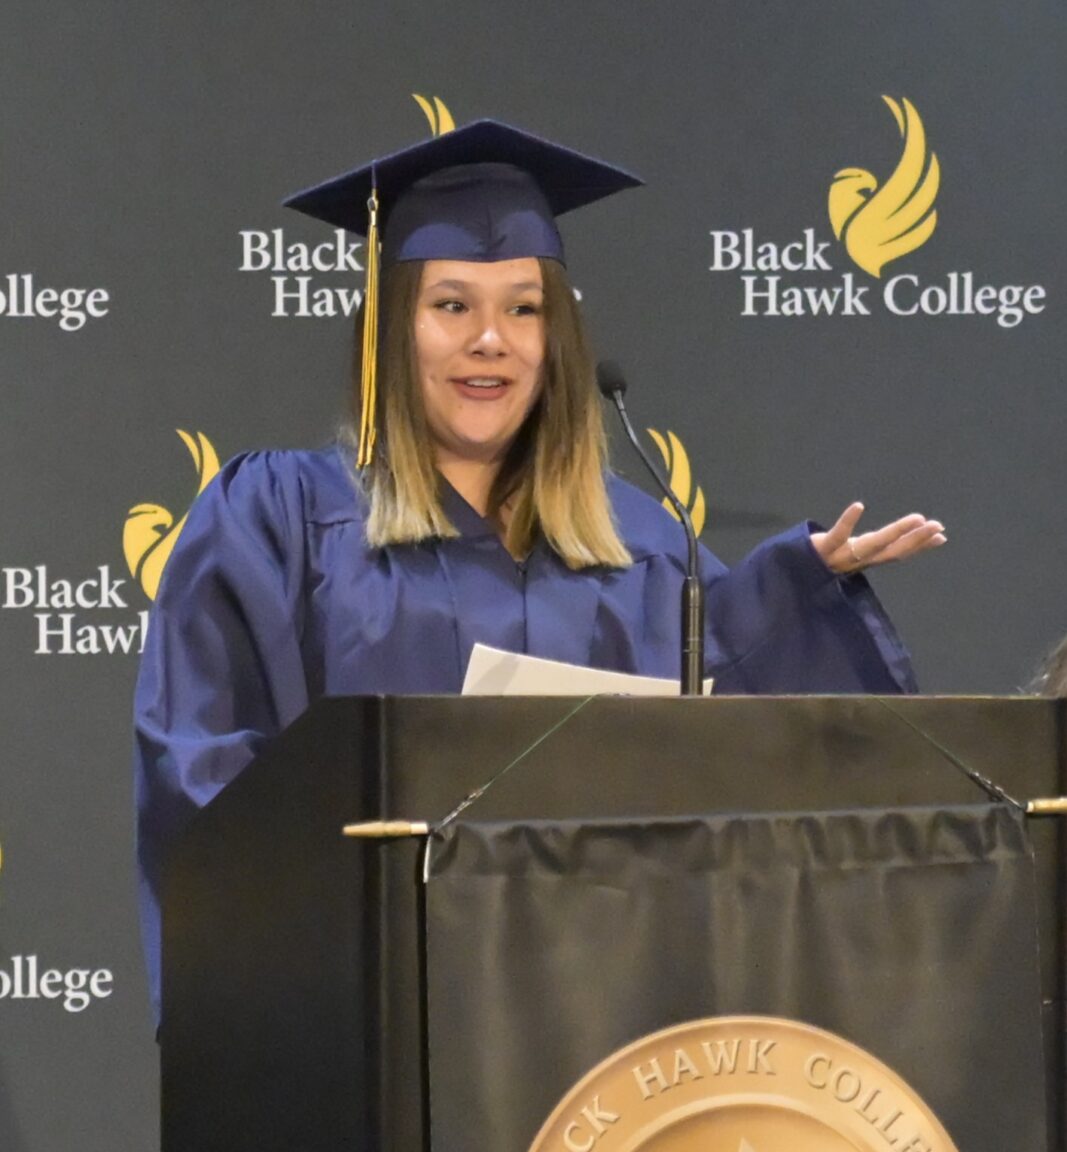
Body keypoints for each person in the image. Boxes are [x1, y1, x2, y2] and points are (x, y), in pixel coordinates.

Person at [135, 119, 946, 1022]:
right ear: (387, 332)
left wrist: (788, 596)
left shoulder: (639, 546)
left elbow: (731, 762)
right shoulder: (278, 519)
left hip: (593, 1029)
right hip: (358, 1012)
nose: (492, 340)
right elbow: (202, 770)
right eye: (451, 305)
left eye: (523, 308)